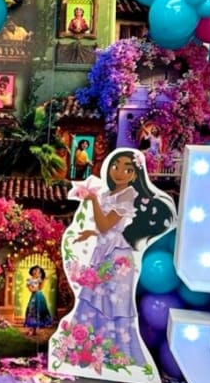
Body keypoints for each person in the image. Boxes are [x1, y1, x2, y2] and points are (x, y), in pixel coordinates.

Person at [69, 150, 175, 364]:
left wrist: (93, 201)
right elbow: (105, 228)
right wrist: (90, 233)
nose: (118, 172)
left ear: (135, 175)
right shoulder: (109, 193)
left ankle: (117, 353)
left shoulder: (127, 195)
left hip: (117, 257)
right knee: (95, 298)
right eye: (115, 166)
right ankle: (90, 351)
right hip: (103, 250)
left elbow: (106, 224)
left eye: (127, 169)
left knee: (113, 302)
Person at [24, 266, 53, 335]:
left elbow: (41, 288)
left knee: (40, 311)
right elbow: (31, 290)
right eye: (35, 270)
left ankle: (35, 330)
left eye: (38, 271)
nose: (36, 272)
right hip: (34, 297)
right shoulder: (29, 280)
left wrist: (43, 281)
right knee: (32, 311)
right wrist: (36, 288)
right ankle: (31, 329)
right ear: (32, 271)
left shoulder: (39, 280)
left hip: (40, 297)